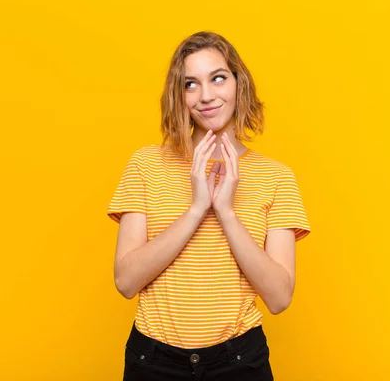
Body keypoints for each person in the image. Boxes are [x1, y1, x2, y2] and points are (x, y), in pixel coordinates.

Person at [107, 31, 312, 381]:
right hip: (153, 360)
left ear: (238, 83)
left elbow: (279, 298)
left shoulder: (276, 177)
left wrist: (227, 213)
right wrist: (197, 208)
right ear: (178, 95)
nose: (206, 96)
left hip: (238, 362)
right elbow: (126, 282)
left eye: (218, 78)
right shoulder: (145, 165)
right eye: (190, 84)